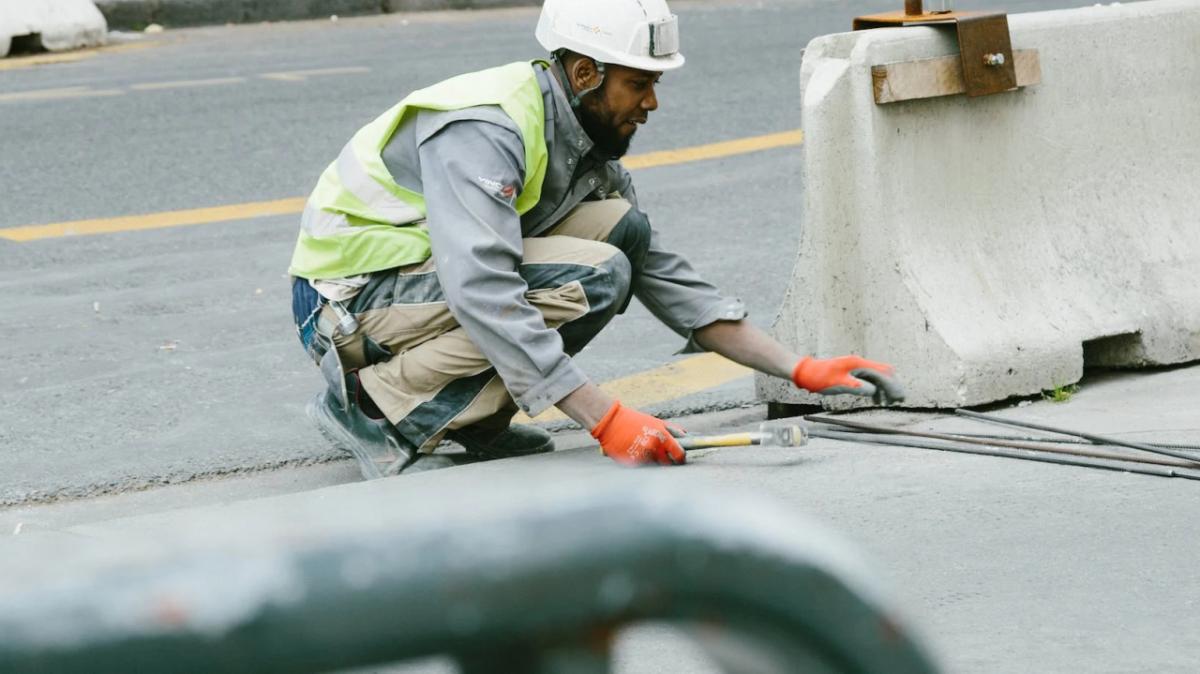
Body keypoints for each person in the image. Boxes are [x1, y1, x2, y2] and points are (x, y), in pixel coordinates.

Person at [288, 0, 904, 479]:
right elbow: (482, 289)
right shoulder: (487, 128)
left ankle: (472, 419)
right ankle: (374, 410)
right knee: (591, 275)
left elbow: (662, 271)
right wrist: (604, 420)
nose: (653, 102)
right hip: (347, 306)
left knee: (622, 235)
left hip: (414, 288)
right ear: (585, 72)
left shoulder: (580, 137)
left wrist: (797, 366)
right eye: (639, 83)